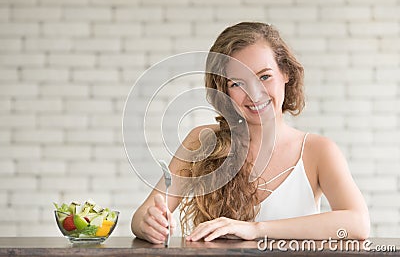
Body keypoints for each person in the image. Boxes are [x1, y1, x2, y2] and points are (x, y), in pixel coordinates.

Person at [131, 22, 370, 244]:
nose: (254, 94)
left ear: (285, 74)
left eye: (264, 76)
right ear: (223, 90)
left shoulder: (317, 151)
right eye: (237, 84)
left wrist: (256, 229)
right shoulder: (203, 141)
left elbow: (358, 224)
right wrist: (149, 223)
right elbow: (141, 216)